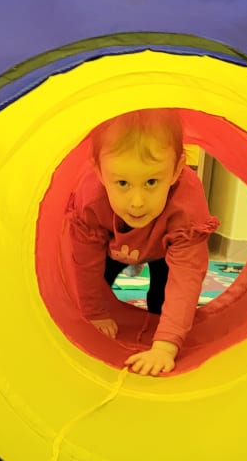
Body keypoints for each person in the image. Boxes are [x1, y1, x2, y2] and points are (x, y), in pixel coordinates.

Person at [67, 108, 219, 375]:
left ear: (176, 171)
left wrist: (165, 347)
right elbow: (85, 262)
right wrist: (95, 313)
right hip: (110, 245)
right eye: (122, 183)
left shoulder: (187, 205)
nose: (137, 202)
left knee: (162, 298)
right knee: (96, 283)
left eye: (151, 182)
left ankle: (159, 327)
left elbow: (186, 275)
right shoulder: (90, 198)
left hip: (165, 248)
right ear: (99, 172)